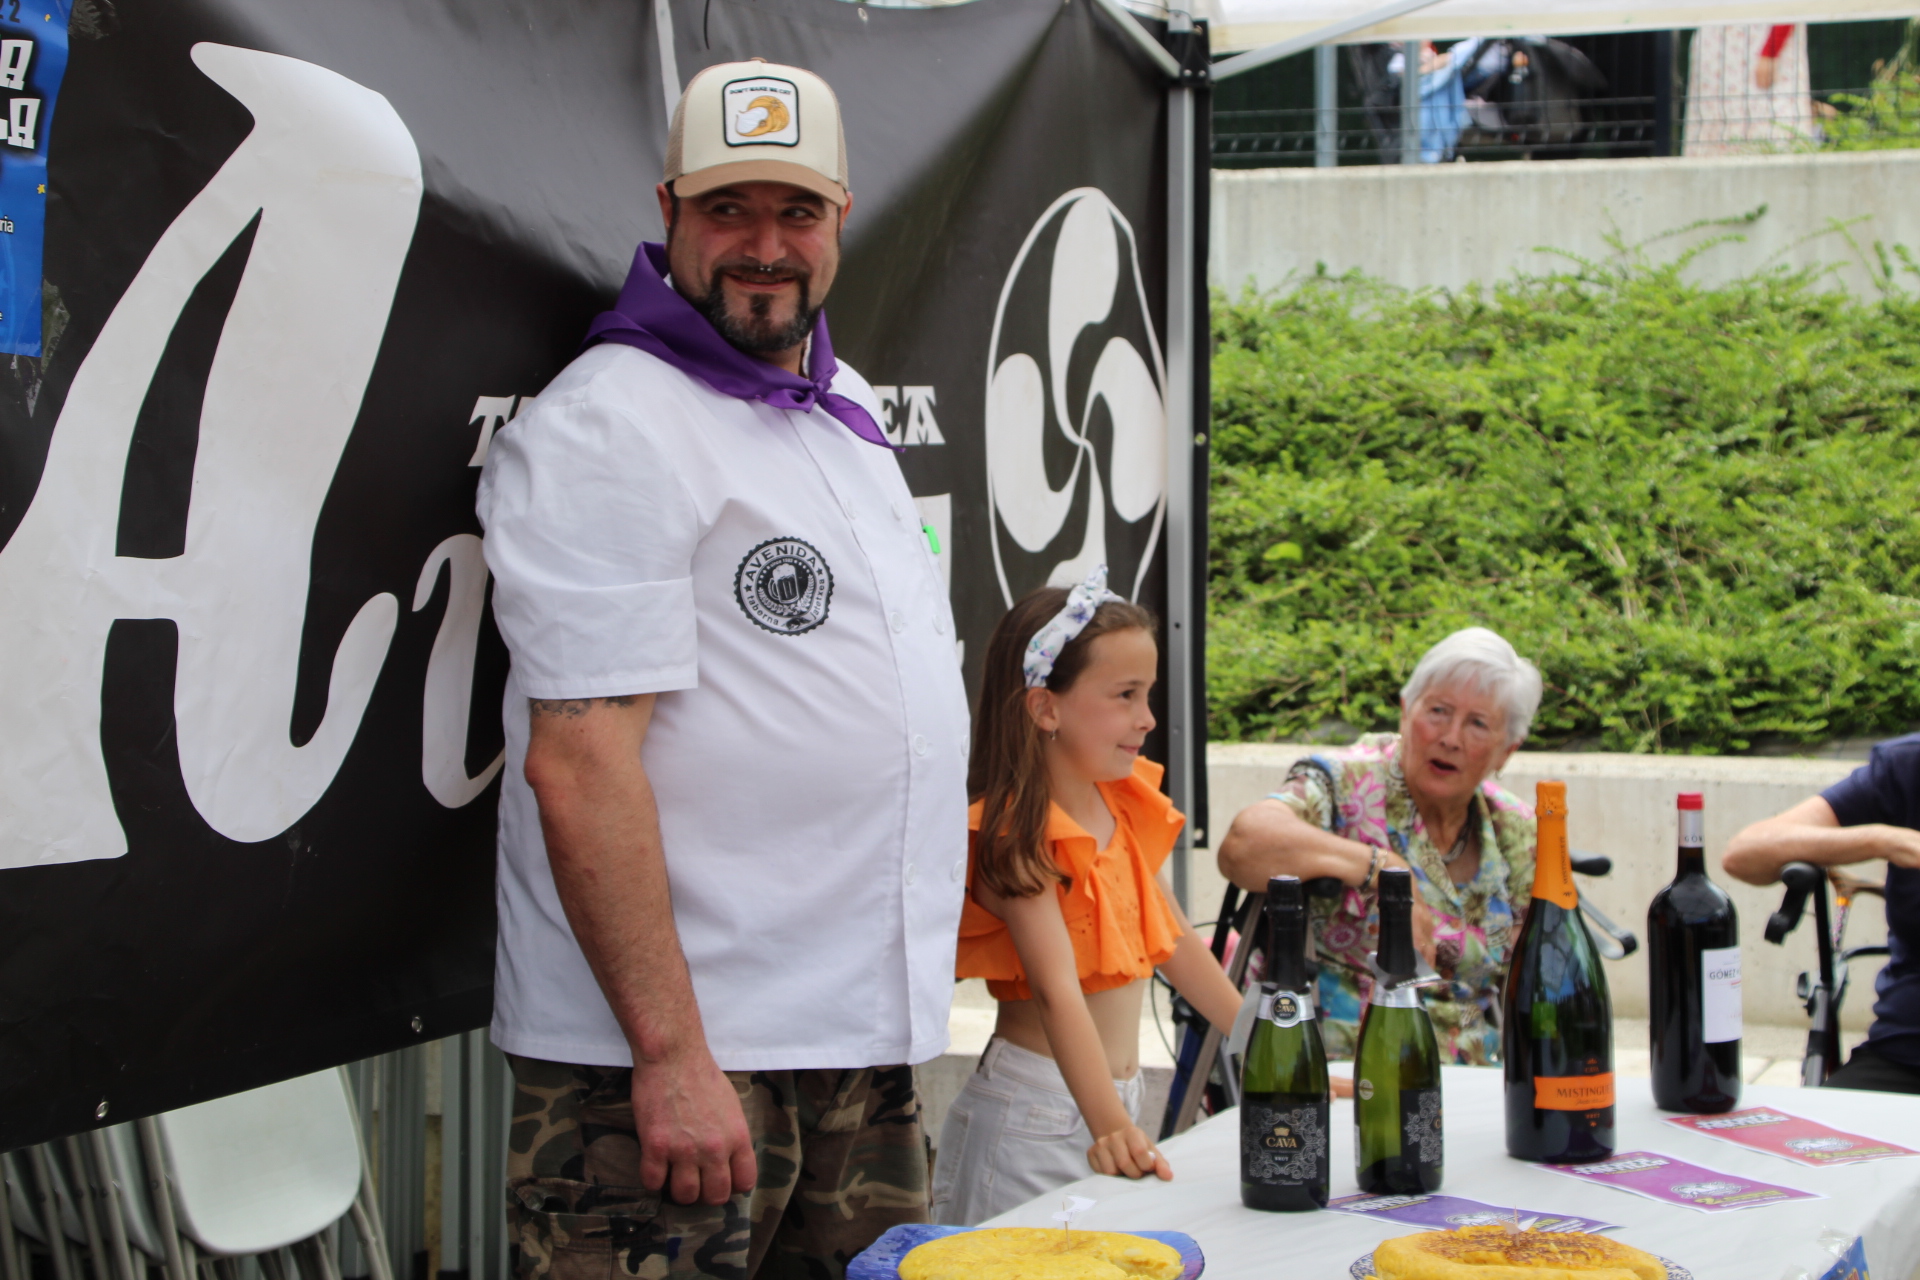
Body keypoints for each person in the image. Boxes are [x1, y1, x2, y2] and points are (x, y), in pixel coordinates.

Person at [476, 59, 970, 1279]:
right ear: (669, 212)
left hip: (847, 1041)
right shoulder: (612, 419)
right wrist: (669, 1053)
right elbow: (580, 763)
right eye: (727, 209)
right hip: (675, 1064)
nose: (765, 245)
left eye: (796, 211)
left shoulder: (841, 405)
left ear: (840, 218)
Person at [930, 571, 1244, 1226]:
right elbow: (1056, 993)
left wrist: (1270, 1046)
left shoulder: (1119, 804)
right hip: (1034, 1120)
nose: (1148, 718)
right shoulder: (1016, 834)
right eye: (1126, 695)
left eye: (1147, 694)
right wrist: (1110, 1126)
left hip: (1111, 1107)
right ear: (1046, 708)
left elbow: (1174, 940)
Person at [1215, 627, 1542, 1065]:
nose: (1451, 737)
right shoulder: (1344, 784)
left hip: (1471, 1074)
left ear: (1507, 751)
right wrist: (1384, 868)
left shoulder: (1516, 831)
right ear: (1406, 711)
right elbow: (1244, 844)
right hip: (1332, 1070)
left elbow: (1538, 979)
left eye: (1478, 724)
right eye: (1438, 711)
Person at [1724, 736, 1920, 1094]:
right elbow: (1745, 854)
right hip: (1905, 1053)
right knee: (1815, 1126)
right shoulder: (1907, 766)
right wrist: (1885, 840)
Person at [1684, 23, 1821, 156]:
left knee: (1778, 128)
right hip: (1717, 46)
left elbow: (1789, 10)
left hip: (1764, 42)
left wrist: (1771, 51)